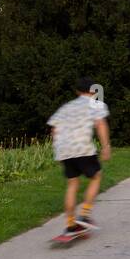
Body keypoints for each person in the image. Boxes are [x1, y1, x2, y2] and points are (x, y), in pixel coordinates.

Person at [47, 77, 111, 237]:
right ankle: (85, 214)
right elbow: (101, 124)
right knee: (96, 177)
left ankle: (71, 225)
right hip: (82, 148)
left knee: (72, 184)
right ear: (93, 91)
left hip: (63, 149)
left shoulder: (66, 107)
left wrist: (60, 150)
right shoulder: (95, 104)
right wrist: (105, 147)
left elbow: (54, 129)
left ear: (77, 91)